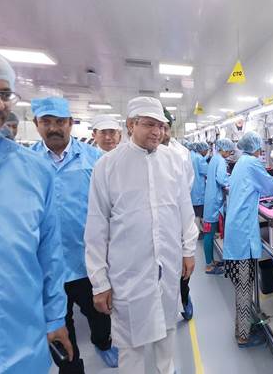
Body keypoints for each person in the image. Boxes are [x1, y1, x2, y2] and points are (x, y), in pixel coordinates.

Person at [85, 96, 198, 374]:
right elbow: (97, 225)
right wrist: (99, 281)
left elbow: (184, 209)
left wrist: (188, 250)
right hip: (128, 268)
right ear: (131, 125)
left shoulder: (174, 161)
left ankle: (166, 370)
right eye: (149, 124)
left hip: (168, 262)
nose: (157, 132)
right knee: (130, 339)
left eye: (161, 125)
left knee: (167, 326)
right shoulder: (108, 166)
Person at [0, 48, 73, 372]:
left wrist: (54, 318)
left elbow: (49, 253)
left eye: (5, 94)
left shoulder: (33, 171)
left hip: (22, 346)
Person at [30, 97, 118, 371]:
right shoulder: (27, 163)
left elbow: (112, 207)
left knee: (99, 313)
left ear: (70, 123)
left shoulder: (94, 160)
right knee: (59, 326)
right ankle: (71, 367)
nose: (53, 128)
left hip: (86, 260)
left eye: (60, 121)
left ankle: (103, 343)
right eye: (46, 122)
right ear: (36, 124)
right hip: (47, 266)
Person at [223, 131, 273, 347]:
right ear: (257, 147)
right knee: (244, 285)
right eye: (261, 147)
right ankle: (243, 336)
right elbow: (270, 187)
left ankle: (245, 325)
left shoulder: (242, 162)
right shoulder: (252, 163)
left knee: (244, 283)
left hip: (237, 229)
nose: (261, 151)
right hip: (242, 234)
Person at [160, 107, 196, 321]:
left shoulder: (181, 154)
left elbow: (185, 192)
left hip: (176, 219)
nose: (161, 133)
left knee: (182, 271)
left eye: (165, 128)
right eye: (155, 126)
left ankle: (184, 297)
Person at [203, 138, 235, 275]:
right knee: (209, 233)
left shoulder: (215, 158)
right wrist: (232, 181)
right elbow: (222, 180)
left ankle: (211, 261)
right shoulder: (220, 161)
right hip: (213, 202)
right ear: (225, 149)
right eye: (230, 151)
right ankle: (209, 266)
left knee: (209, 233)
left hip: (211, 198)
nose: (230, 154)